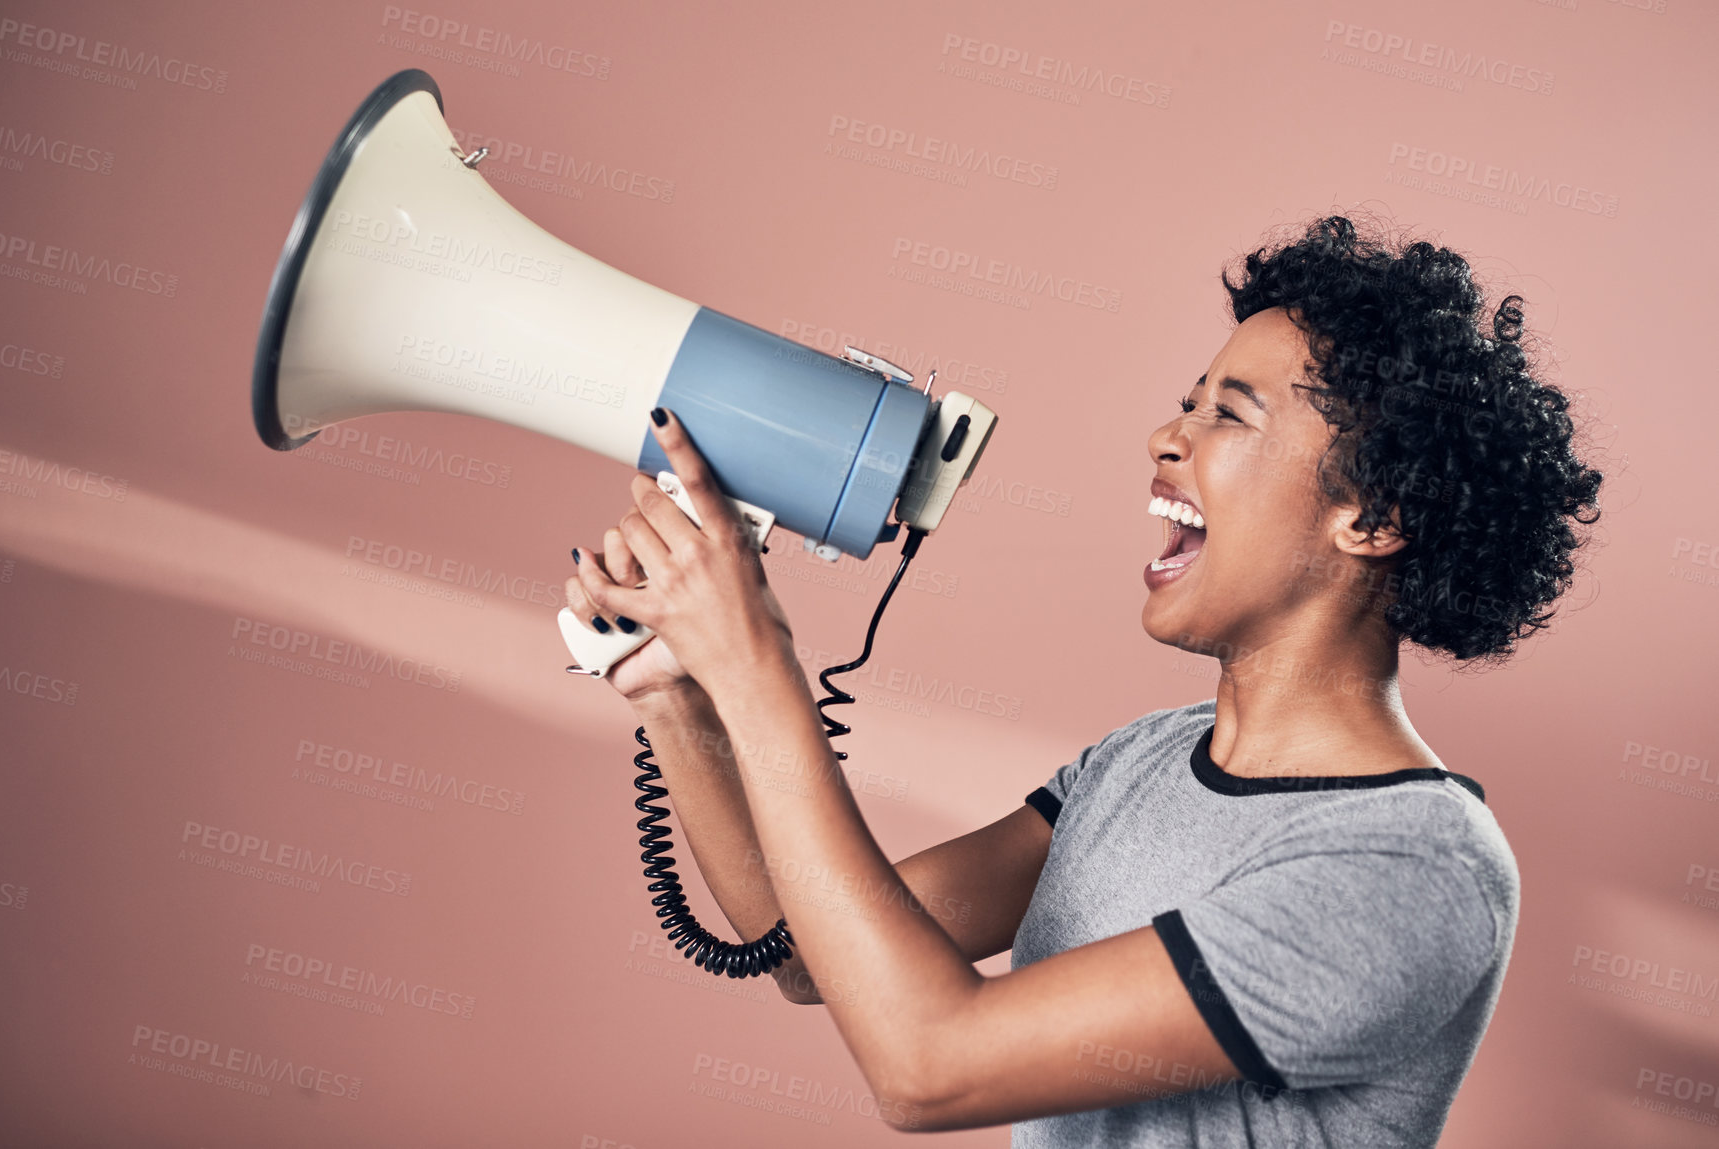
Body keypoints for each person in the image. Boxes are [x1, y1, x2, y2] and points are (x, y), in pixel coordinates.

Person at [562, 213, 1604, 1145]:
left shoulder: (1411, 869)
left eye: (1227, 415)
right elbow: (802, 952)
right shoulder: (1140, 762)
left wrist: (757, 665)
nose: (1164, 437)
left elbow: (927, 1066)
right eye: (1184, 402)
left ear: (1373, 520)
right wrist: (678, 693)